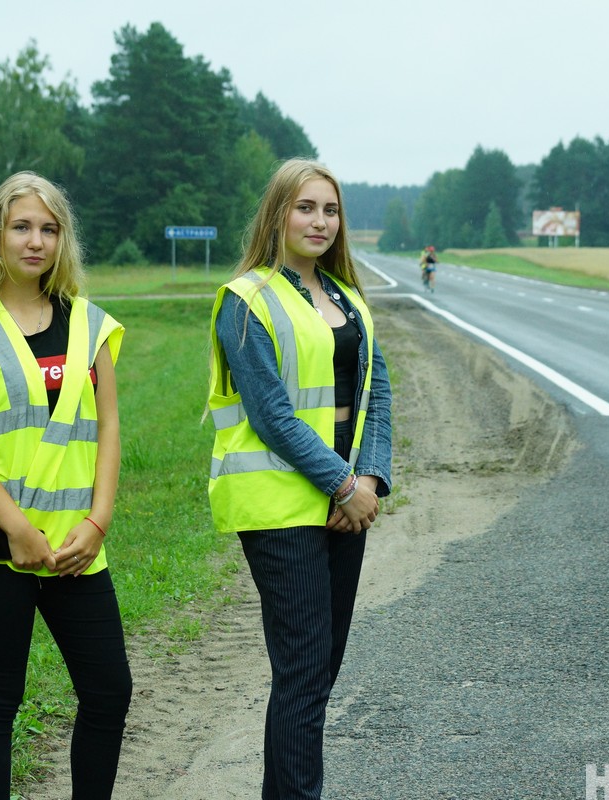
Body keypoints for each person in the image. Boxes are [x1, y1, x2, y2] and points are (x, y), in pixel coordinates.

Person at [0, 171, 132, 799]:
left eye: (49, 229)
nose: (35, 241)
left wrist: (97, 523)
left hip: (76, 552)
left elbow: (108, 430)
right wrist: (16, 528)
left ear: (63, 240)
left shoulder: (90, 326)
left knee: (109, 691)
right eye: (22, 227)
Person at [206, 158, 393, 799]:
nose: (319, 221)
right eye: (305, 207)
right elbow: (271, 414)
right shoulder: (247, 299)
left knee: (320, 672)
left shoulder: (347, 298)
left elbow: (379, 393)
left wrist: (369, 479)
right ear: (277, 214)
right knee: (305, 670)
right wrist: (344, 485)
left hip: (347, 500)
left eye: (331, 210)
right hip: (282, 502)